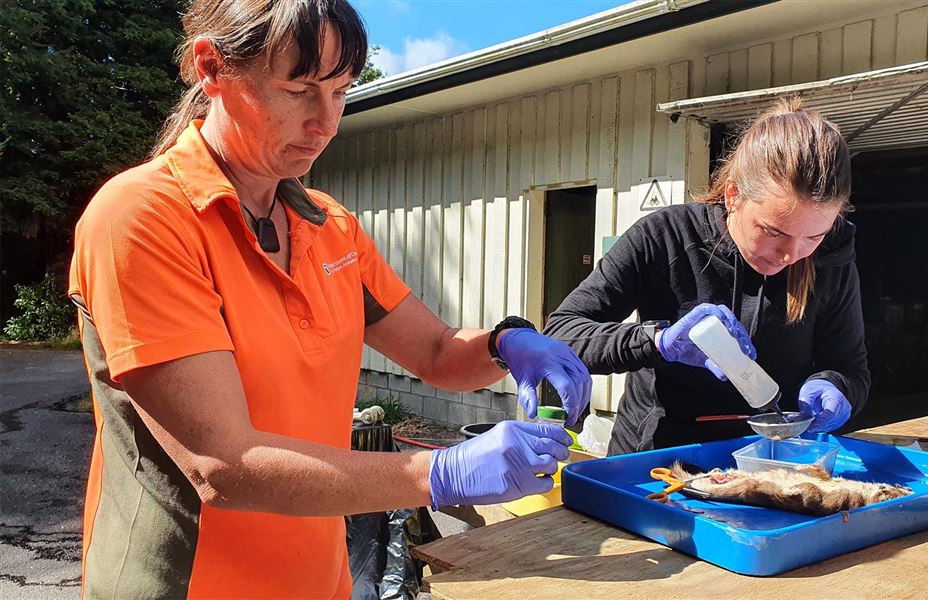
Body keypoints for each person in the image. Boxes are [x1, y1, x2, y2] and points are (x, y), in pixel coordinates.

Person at [67, 2, 590, 597]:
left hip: (319, 579)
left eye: (341, 92)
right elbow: (223, 465)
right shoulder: (142, 219)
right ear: (211, 68)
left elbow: (438, 352)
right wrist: (439, 472)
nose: (325, 122)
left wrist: (505, 344)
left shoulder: (328, 227)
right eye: (299, 90)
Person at [544, 98, 869, 455]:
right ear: (733, 195)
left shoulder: (832, 258)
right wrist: (658, 342)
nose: (791, 254)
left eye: (814, 236)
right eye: (773, 231)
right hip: (657, 459)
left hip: (772, 457)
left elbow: (850, 367)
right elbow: (562, 333)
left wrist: (835, 386)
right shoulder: (666, 236)